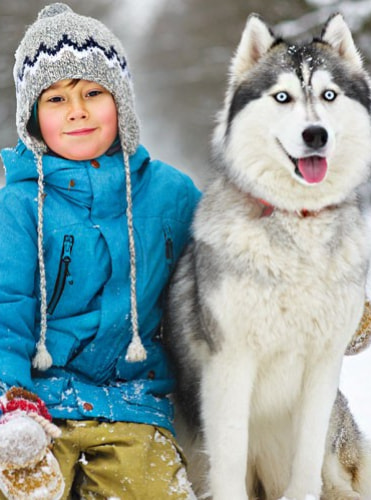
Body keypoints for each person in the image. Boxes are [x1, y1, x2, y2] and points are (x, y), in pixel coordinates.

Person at [0, 3, 200, 499]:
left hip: (136, 406)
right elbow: (7, 310)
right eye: (55, 98)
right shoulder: (19, 204)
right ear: (31, 116)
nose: (77, 110)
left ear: (122, 102)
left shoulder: (171, 194)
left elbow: (230, 265)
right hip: (37, 407)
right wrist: (13, 402)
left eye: (93, 92)